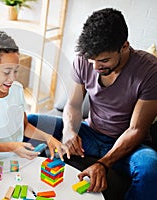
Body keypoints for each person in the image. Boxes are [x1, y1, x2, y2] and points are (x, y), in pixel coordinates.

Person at [28, 8, 157, 200]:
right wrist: (70, 131)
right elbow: (72, 105)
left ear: (124, 46)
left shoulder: (150, 71)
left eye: (104, 60)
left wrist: (104, 163)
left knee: (150, 167)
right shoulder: (83, 60)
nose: (96, 68)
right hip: (89, 133)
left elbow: (136, 130)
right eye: (92, 60)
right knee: (30, 122)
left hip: (127, 145)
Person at [0, 30, 69, 161]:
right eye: (7, 72)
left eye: (16, 71)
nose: (12, 78)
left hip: (19, 157)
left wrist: (48, 138)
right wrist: (12, 147)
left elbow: (24, 126)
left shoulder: (17, 89)